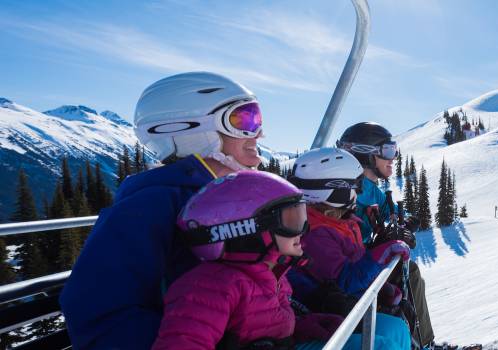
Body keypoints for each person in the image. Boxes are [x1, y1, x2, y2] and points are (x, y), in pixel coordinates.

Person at [60, 72, 267, 349]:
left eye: (257, 119)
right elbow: (100, 315)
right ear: (190, 130)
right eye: (243, 120)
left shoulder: (229, 201)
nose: (259, 133)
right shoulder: (147, 208)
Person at [154, 171, 351, 349]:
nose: (303, 231)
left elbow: (261, 325)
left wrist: (302, 326)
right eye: (293, 221)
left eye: (301, 217)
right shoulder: (209, 286)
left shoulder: (274, 274)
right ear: (247, 231)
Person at [285, 147, 412, 349]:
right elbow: (344, 281)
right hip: (327, 309)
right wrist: (379, 257)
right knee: (383, 344)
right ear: (337, 190)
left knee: (397, 329)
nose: (359, 192)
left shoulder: (340, 221)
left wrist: (381, 286)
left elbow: (355, 262)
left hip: (342, 305)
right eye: (356, 186)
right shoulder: (316, 233)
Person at [337, 122, 437, 347]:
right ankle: (423, 342)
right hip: (347, 269)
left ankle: (420, 340)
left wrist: (407, 222)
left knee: (408, 271)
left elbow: (385, 208)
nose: (394, 158)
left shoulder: (371, 188)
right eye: (388, 151)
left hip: (359, 262)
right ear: (366, 155)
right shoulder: (350, 189)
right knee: (409, 272)